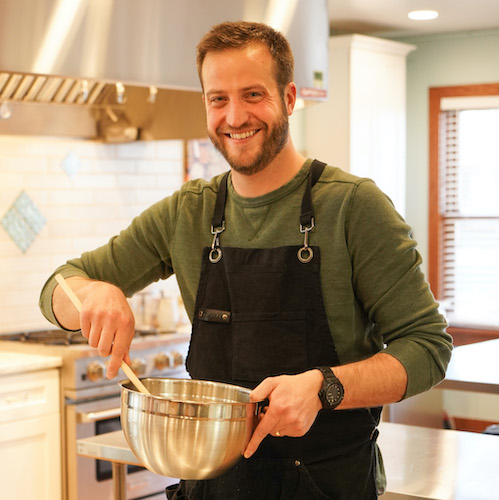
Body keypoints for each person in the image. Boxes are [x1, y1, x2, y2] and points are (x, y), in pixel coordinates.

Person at [39, 21, 452, 500]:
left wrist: (324, 387)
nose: (235, 117)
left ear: (290, 97)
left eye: (253, 94)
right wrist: (94, 292)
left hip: (326, 487)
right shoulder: (187, 212)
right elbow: (57, 287)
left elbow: (429, 347)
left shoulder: (353, 207)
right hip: (213, 488)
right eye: (218, 99)